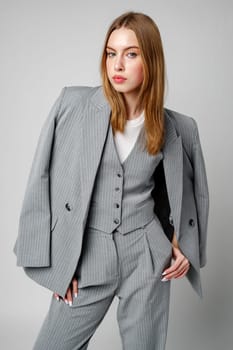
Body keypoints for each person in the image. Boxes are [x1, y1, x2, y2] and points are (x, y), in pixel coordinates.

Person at [13, 11, 209, 350]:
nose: (116, 64)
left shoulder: (179, 128)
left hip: (146, 256)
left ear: (151, 61)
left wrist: (181, 244)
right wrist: (56, 264)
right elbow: (39, 180)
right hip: (87, 252)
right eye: (111, 53)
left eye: (130, 54)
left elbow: (192, 193)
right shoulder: (72, 105)